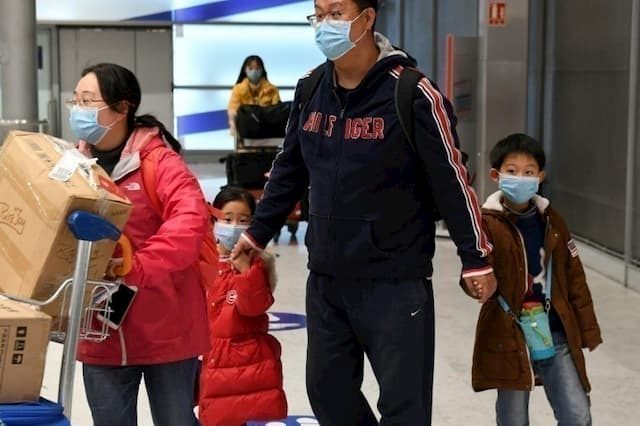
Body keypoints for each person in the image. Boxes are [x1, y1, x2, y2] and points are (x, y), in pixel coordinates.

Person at [232, 0, 497, 424]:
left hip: (394, 281)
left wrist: (475, 257)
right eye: (318, 14)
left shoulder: (412, 93)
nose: (323, 25)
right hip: (327, 277)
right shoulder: (310, 88)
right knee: (326, 391)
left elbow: (452, 179)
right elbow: (289, 170)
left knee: (403, 405)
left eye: (335, 13)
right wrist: (256, 233)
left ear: (367, 18)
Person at [69, 62, 210, 426]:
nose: (78, 109)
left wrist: (140, 265)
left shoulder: (159, 162)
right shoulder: (72, 166)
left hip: (166, 328)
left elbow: (190, 220)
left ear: (122, 108)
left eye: (88, 100)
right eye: (75, 100)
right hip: (100, 330)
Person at [471, 133, 602, 425]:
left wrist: (588, 330)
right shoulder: (486, 223)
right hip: (510, 333)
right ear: (496, 175)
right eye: (512, 171)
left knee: (577, 413)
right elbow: (475, 270)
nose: (521, 178)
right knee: (513, 417)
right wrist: (475, 285)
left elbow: (575, 277)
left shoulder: (553, 220)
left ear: (540, 176)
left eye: (529, 172)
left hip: (555, 329)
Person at [198, 186, 287, 425]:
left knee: (230, 415)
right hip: (205, 359)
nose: (234, 226)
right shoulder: (201, 259)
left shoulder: (256, 265)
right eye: (228, 219)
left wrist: (245, 270)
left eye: (243, 220)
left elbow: (253, 307)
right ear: (213, 219)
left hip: (238, 366)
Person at [227, 55, 281, 135]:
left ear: (262, 70)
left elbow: (278, 113)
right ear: (245, 70)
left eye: (257, 68)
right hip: (245, 133)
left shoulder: (272, 90)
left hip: (268, 133)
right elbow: (232, 110)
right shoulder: (238, 89)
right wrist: (233, 126)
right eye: (251, 68)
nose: (254, 71)